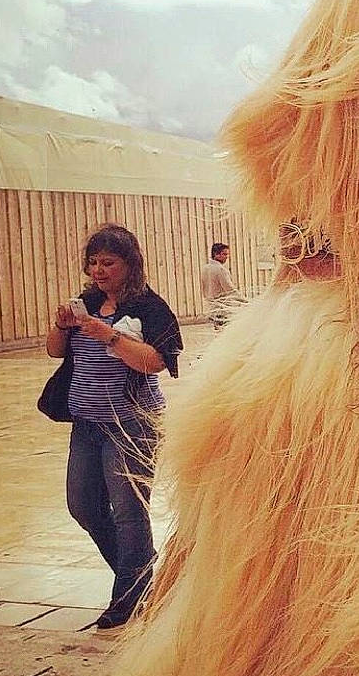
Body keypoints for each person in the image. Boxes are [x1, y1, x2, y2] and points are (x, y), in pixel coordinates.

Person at [46, 224, 182, 628]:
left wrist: (109, 337)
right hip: (86, 425)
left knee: (128, 512)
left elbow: (156, 362)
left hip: (132, 425)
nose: (98, 270)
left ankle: (127, 598)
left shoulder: (148, 307)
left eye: (108, 262)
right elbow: (55, 351)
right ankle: (138, 573)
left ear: (129, 264)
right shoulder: (85, 302)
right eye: (93, 262)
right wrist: (61, 325)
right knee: (83, 505)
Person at [200, 241, 242, 330]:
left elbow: (203, 288)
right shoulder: (221, 270)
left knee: (217, 331)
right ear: (216, 254)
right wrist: (244, 300)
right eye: (224, 254)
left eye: (227, 255)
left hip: (211, 307)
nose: (226, 257)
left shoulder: (205, 269)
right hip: (222, 308)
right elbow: (230, 289)